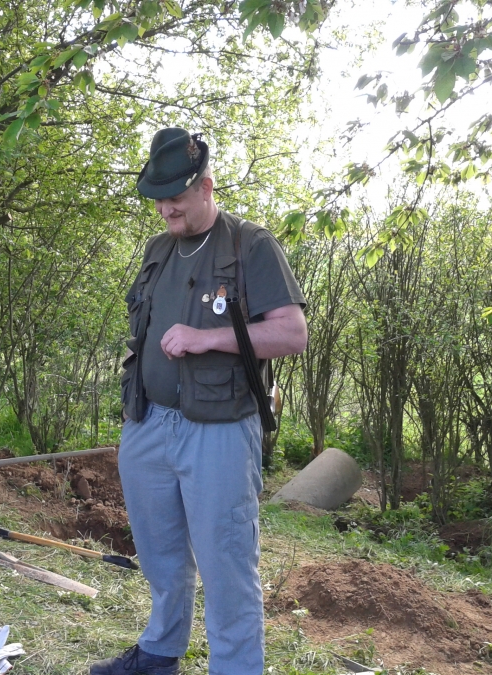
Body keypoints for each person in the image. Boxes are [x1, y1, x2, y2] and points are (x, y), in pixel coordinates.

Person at [90, 128, 307, 675]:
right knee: (160, 554)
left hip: (219, 429)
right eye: (157, 198)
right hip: (148, 422)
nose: (165, 209)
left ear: (206, 187)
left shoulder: (251, 245)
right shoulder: (158, 248)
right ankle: (160, 653)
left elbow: (292, 334)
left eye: (175, 198)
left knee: (227, 563)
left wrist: (207, 338)